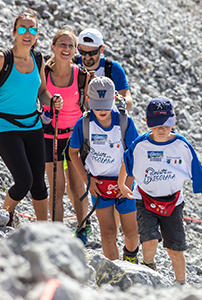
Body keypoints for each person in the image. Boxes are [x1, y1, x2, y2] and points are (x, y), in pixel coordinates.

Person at [118, 96, 202, 285]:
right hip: (145, 199)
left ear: (174, 121)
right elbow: (126, 161)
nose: (161, 129)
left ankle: (181, 285)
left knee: (175, 250)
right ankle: (148, 269)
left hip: (173, 202)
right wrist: (122, 184)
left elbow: (199, 174)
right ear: (147, 123)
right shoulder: (140, 145)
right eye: (156, 125)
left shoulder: (181, 145)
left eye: (166, 124)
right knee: (150, 242)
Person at [0, 8, 63, 225]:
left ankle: (44, 231)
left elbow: (41, 92)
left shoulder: (38, 58)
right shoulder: (2, 59)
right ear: (14, 32)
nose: (28, 33)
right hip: (5, 128)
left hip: (33, 126)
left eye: (33, 29)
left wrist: (52, 100)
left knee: (38, 183)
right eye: (23, 28)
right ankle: (3, 216)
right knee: (24, 180)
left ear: (37, 34)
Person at [69, 76, 139, 260]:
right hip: (98, 185)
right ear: (88, 101)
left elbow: (134, 155)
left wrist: (127, 184)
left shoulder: (125, 122)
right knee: (108, 233)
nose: (102, 110)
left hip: (125, 183)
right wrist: (86, 179)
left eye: (106, 105)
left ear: (114, 100)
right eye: (97, 105)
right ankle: (115, 273)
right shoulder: (84, 124)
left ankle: (130, 256)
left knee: (131, 234)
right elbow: (73, 152)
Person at [42, 26, 90, 242]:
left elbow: (89, 105)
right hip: (49, 136)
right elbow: (37, 97)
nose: (67, 48)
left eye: (71, 45)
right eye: (62, 44)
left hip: (74, 137)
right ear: (53, 47)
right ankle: (57, 235)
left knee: (76, 184)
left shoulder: (81, 76)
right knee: (57, 188)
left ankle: (82, 230)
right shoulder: (43, 73)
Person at [75, 28, 132, 110]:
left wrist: (117, 101)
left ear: (101, 49)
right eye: (83, 52)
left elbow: (128, 102)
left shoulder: (113, 68)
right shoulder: (72, 64)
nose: (87, 57)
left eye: (92, 53)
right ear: (78, 48)